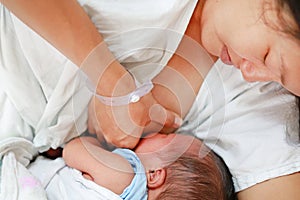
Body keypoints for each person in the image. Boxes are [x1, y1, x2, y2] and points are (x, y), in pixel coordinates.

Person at [1, 0, 300, 199]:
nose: (253, 75)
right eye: (268, 56)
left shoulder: (261, 102)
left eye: (280, 79)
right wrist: (109, 79)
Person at [62, 133, 236, 200]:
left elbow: (72, 150)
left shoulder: (123, 175)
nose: (157, 132)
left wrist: (98, 141)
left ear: (153, 174)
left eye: (165, 136)